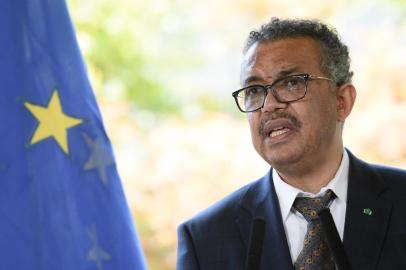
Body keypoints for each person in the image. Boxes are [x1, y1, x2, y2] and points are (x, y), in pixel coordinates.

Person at [176, 18, 406, 270]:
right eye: (254, 90)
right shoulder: (205, 239)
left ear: (342, 101)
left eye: (291, 83)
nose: (269, 104)